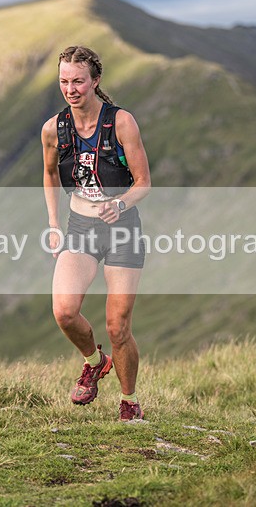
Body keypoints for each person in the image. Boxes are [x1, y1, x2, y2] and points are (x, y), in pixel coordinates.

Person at [41, 46, 152, 421]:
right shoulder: (53, 129)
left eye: (78, 81)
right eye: (64, 82)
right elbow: (51, 174)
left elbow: (143, 183)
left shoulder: (121, 122)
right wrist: (54, 225)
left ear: (95, 81)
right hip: (80, 227)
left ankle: (129, 402)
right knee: (65, 312)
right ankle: (95, 361)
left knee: (118, 326)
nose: (71, 89)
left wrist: (120, 204)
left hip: (121, 228)